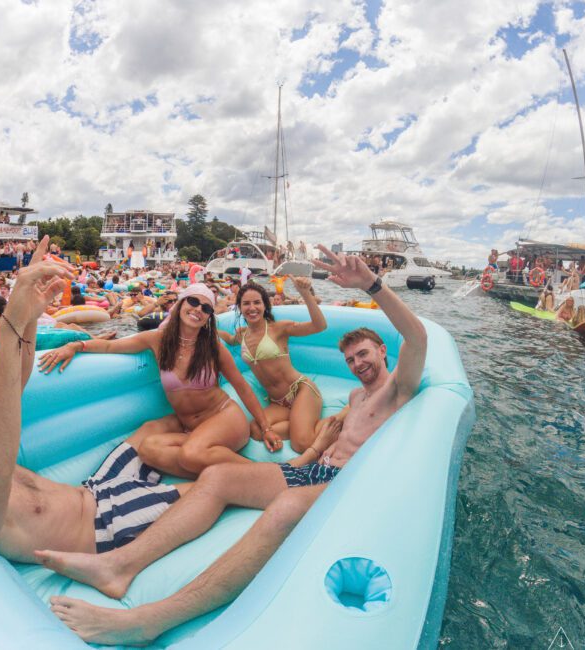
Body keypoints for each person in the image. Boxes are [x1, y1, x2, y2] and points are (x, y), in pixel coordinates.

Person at [44, 245, 428, 645]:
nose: (357, 364)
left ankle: (151, 619)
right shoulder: (354, 397)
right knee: (218, 475)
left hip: (344, 484)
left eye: (363, 355)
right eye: (349, 359)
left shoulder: (397, 391)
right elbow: (334, 433)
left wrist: (371, 284)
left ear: (384, 351)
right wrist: (310, 453)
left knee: (284, 509)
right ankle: (118, 566)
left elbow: (416, 336)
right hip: (316, 469)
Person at [0, 237, 192, 569]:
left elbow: (15, 380)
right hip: (103, 526)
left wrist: (32, 312)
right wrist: (12, 318)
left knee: (157, 426)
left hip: (94, 490)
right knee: (214, 486)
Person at [38, 284, 274, 478]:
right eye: (193, 301)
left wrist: (265, 428)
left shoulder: (213, 347)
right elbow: (111, 345)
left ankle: (264, 474)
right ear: (181, 303)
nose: (198, 310)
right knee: (149, 449)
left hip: (223, 418)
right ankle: (215, 471)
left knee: (190, 454)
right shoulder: (158, 340)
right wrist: (75, 345)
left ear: (209, 317)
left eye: (206, 308)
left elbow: (242, 388)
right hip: (187, 426)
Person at [219, 277, 327, 453]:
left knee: (301, 444)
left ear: (265, 305)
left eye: (257, 303)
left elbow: (319, 326)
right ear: (239, 307)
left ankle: (335, 420)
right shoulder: (241, 334)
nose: (252, 308)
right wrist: (208, 327)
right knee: (254, 430)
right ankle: (300, 422)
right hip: (278, 403)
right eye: (246, 303)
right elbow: (230, 340)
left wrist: (305, 294)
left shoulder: (279, 328)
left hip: (300, 390)